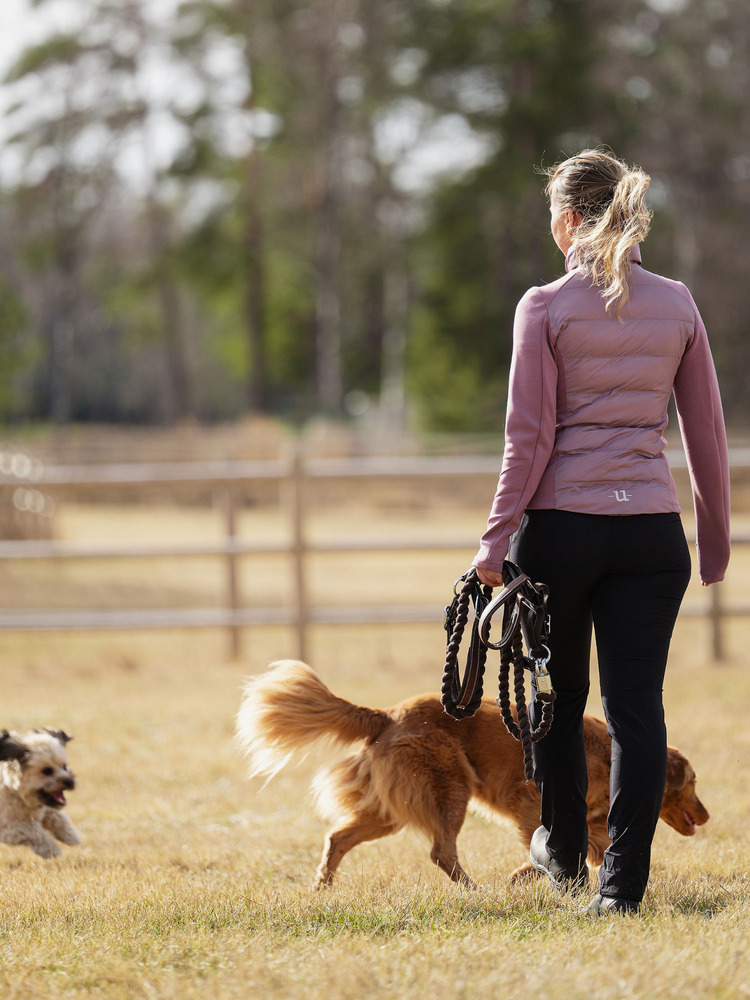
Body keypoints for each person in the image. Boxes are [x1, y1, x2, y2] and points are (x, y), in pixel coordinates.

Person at [472, 149, 730, 915]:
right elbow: (706, 433)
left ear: (565, 221)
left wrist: (493, 543)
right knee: (635, 712)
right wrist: (714, 540)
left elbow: (530, 439)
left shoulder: (544, 306)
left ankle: (562, 855)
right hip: (651, 537)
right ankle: (621, 888)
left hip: (562, 534)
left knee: (554, 703)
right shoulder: (678, 303)